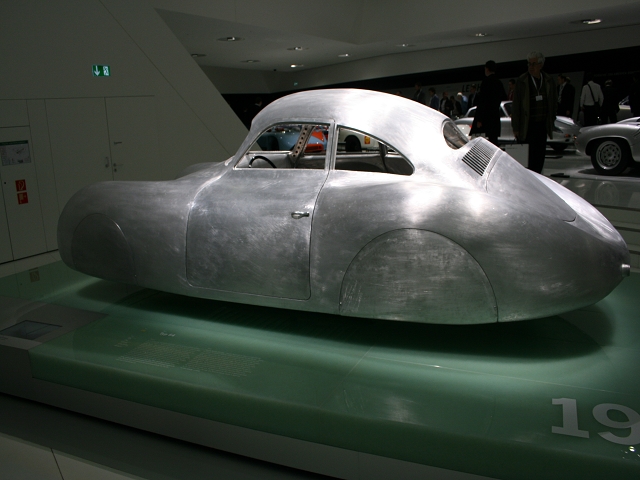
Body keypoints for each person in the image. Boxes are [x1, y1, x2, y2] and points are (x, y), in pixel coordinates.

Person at [511, 51, 558, 174]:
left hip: (542, 125)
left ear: (541, 65)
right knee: (527, 159)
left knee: (539, 157)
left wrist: (551, 119)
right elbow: (516, 106)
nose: (531, 67)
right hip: (527, 126)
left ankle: (537, 178)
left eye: (534, 64)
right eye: (529, 64)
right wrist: (516, 127)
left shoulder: (548, 80)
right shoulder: (522, 81)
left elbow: (553, 102)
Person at [470, 60, 507, 146]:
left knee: (485, 143)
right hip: (495, 116)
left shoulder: (486, 82)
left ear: (487, 69)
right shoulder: (498, 82)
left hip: (486, 118)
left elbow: (482, 102)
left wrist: (479, 119)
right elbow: (503, 97)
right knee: (494, 141)